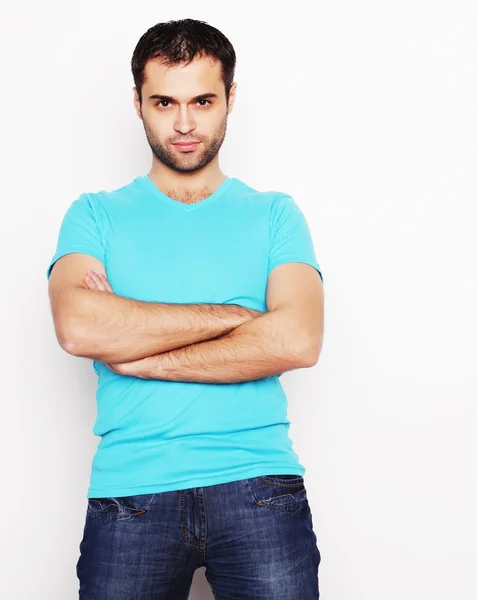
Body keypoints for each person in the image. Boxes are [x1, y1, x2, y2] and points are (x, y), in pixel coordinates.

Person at [47, 18, 324, 599]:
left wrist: (142, 353)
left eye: (202, 100)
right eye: (163, 102)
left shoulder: (275, 213)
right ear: (137, 102)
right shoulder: (94, 214)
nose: (184, 124)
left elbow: (296, 339)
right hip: (131, 494)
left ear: (230, 98)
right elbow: (78, 326)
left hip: (259, 485)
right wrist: (235, 317)